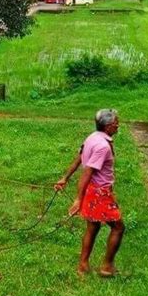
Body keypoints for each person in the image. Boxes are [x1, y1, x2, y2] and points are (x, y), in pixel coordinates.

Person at [55, 109, 125, 276]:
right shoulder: (102, 146)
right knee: (118, 227)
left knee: (92, 227)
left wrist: (65, 178)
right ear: (107, 126)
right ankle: (107, 266)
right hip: (100, 193)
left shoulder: (92, 138)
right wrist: (78, 200)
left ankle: (83, 265)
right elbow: (87, 172)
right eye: (116, 123)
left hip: (92, 191)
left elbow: (79, 158)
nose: (118, 126)